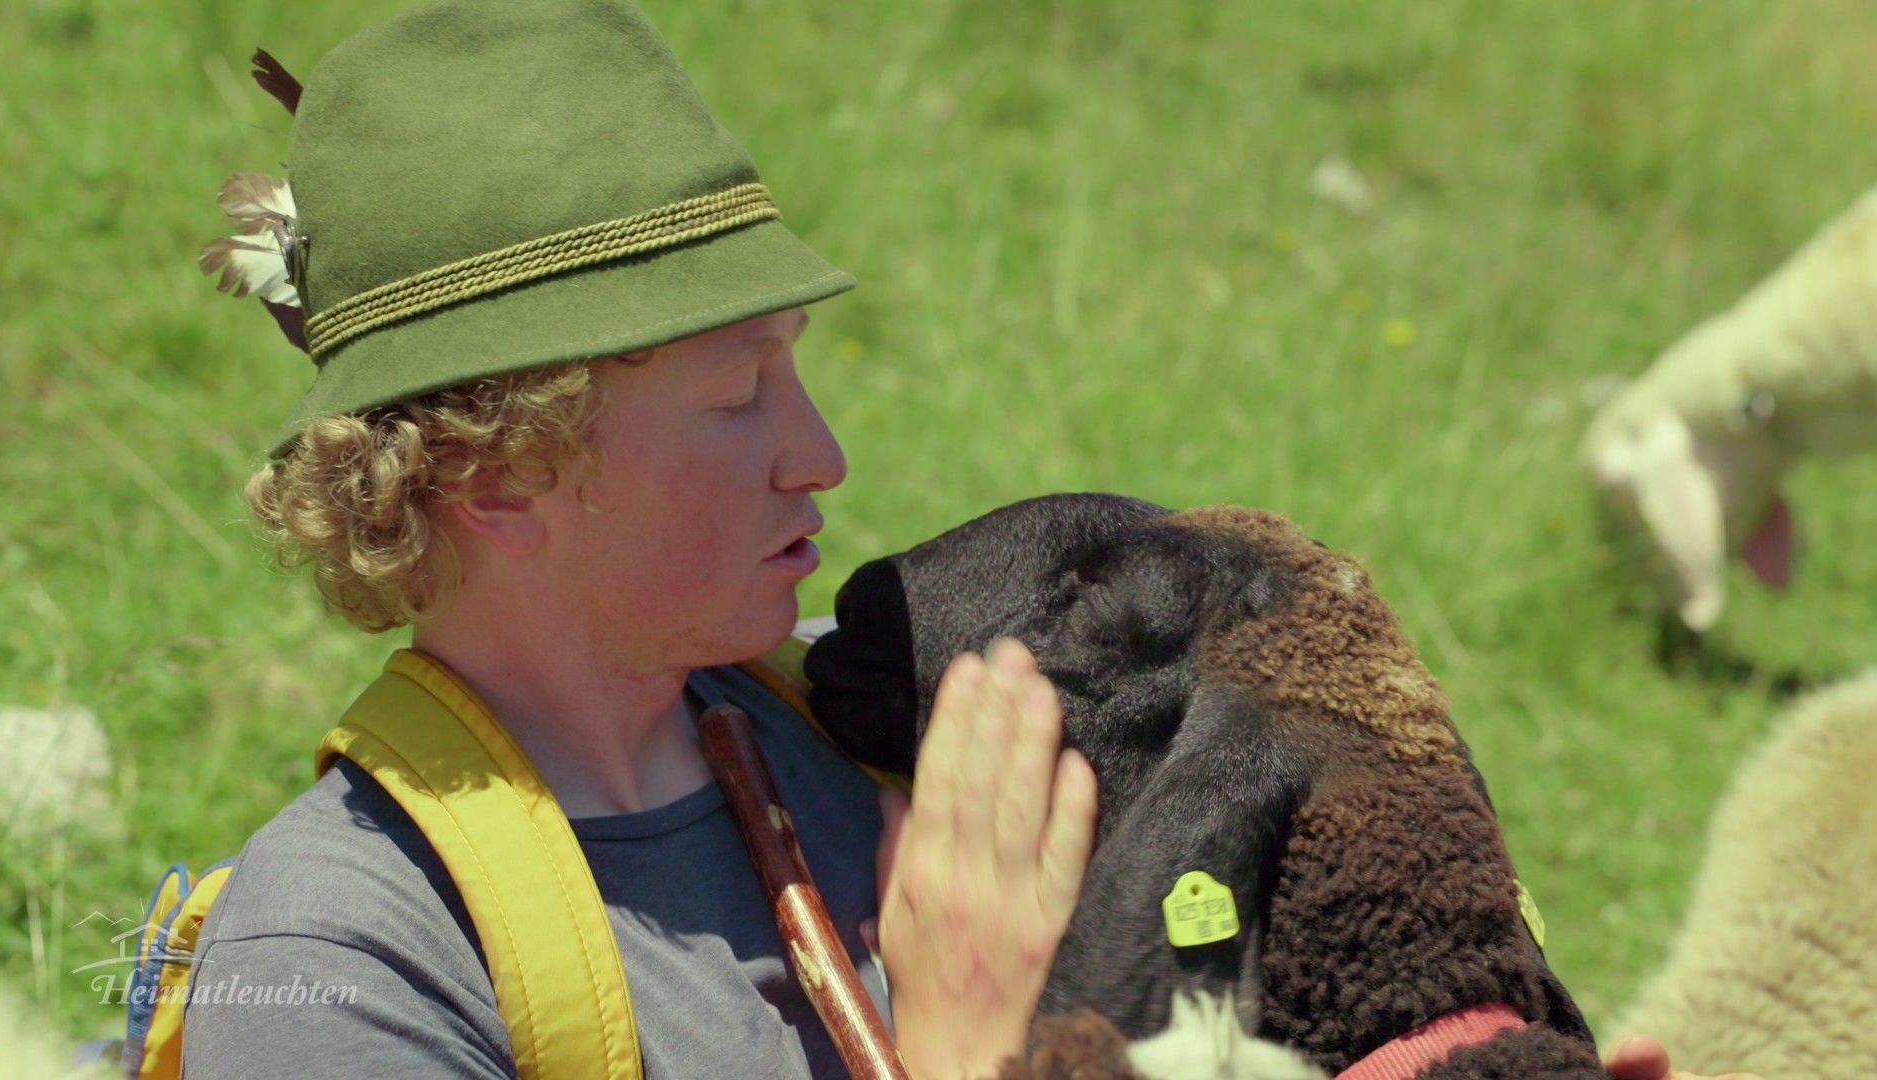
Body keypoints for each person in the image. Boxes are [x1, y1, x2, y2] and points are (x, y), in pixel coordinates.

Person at [183, 2, 1753, 1077]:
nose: (821, 457)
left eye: (795, 368)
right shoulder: (346, 959)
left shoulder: (926, 741)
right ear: (495, 473)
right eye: (734, 397)